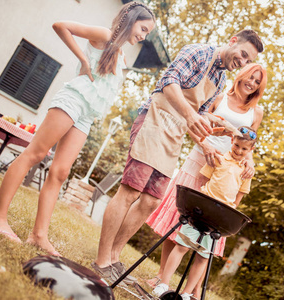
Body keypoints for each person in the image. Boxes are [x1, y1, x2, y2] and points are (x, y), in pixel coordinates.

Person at [91, 30, 264, 285]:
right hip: (155, 120)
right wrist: (192, 115)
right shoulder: (199, 52)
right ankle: (102, 260)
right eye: (243, 55)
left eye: (248, 60)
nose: (243, 62)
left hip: (175, 134)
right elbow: (169, 81)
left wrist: (215, 123)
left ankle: (114, 257)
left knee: (150, 201)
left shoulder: (218, 78)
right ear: (232, 42)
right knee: (130, 192)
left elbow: (201, 112)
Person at [0, 2, 156, 256]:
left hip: (85, 115)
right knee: (34, 153)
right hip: (73, 100)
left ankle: (38, 235)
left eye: (147, 33)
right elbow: (61, 26)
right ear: (131, 20)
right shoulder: (105, 35)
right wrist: (82, 59)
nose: (143, 36)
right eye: (143, 29)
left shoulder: (121, 53)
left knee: (60, 172)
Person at [145, 63, 267, 298]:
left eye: (257, 81)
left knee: (207, 228)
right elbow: (198, 117)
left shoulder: (256, 112)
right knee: (179, 218)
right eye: (249, 77)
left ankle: (192, 289)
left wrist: (249, 161)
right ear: (241, 76)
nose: (251, 83)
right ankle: (162, 278)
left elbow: (249, 143)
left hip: (227, 170)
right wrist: (207, 140)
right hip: (201, 158)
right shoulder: (219, 96)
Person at [152, 126, 258, 300]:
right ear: (232, 141)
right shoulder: (218, 158)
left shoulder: (246, 172)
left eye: (244, 148)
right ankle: (163, 284)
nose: (239, 151)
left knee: (203, 256)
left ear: (251, 150)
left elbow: (238, 198)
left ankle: (186, 294)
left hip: (220, 219)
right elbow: (205, 180)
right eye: (237, 145)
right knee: (182, 246)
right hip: (202, 210)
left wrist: (227, 213)